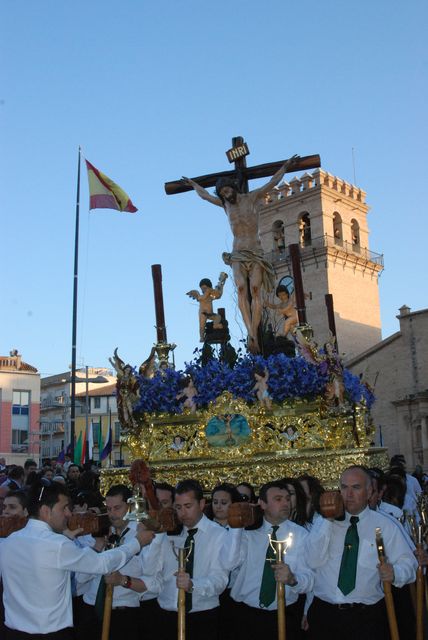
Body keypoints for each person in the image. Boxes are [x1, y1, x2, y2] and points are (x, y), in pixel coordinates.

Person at [0, 481, 154, 639]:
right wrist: (137, 543)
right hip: (50, 634)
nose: (68, 514)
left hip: (11, 633)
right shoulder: (57, 545)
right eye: (64, 508)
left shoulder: (8, 541)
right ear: (46, 511)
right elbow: (102, 564)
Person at [183, 155, 300, 352]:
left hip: (255, 251)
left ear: (234, 188)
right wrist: (193, 184)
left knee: (255, 289)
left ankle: (254, 330)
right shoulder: (225, 205)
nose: (226, 194)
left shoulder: (251, 197)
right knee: (240, 289)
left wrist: (286, 166)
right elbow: (204, 195)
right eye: (222, 193)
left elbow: (272, 182)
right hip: (237, 253)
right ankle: (251, 333)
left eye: (227, 190)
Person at [305, 465, 418, 640]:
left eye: (356, 487)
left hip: (366, 618)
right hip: (325, 614)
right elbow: (312, 561)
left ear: (370, 491)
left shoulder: (386, 525)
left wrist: (395, 573)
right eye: (344, 487)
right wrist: (328, 519)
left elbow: (409, 564)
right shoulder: (323, 523)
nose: (348, 495)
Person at [142, 479, 229, 640]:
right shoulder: (169, 533)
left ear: (202, 504)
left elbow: (220, 579)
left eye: (188, 506)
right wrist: (159, 535)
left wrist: (192, 585)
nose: (183, 513)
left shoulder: (218, 535)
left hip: (202, 614)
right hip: (166, 613)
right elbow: (149, 570)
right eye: (178, 507)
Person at [229, 480, 313, 639]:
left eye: (288, 499)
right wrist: (237, 527)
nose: (285, 503)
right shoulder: (248, 532)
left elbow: (310, 578)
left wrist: (293, 579)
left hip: (284, 613)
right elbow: (230, 563)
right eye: (278, 499)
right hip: (246, 613)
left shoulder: (301, 535)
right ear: (262, 503)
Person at [76, 484, 156, 640]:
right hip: (90, 608)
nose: (112, 514)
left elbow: (153, 585)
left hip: (122, 613)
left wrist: (123, 580)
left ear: (131, 507)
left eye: (117, 508)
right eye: (109, 508)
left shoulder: (143, 536)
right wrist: (96, 549)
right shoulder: (98, 533)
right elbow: (80, 579)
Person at [186, 273, 228, 342]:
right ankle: (202, 337)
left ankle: (216, 325)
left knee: (218, 317)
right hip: (203, 313)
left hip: (210, 313)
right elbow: (201, 298)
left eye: (205, 288)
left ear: (209, 287)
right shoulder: (201, 297)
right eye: (202, 289)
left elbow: (218, 295)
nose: (204, 290)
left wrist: (221, 285)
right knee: (202, 325)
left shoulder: (210, 297)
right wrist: (208, 291)